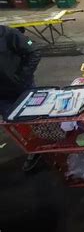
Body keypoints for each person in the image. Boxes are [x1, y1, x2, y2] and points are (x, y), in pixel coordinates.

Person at [0, 25, 42, 172]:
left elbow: (34, 49)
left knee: (37, 119)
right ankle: (35, 150)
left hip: (23, 89)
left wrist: (23, 77)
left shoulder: (10, 34)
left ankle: (49, 147)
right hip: (3, 98)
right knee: (17, 125)